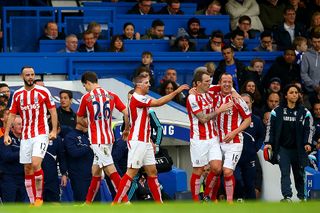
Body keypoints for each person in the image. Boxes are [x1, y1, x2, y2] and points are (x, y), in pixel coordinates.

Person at [113, 73, 189, 204]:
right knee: (131, 173)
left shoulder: (140, 98)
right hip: (137, 141)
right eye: (146, 82)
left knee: (152, 172)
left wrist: (128, 130)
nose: (149, 85)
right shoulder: (137, 98)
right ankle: (115, 203)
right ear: (139, 85)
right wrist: (176, 91)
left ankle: (159, 204)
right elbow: (159, 102)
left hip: (146, 141)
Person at [4, 66, 58, 206]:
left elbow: (53, 111)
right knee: (27, 168)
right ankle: (33, 201)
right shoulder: (18, 94)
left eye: (32, 74)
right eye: (27, 75)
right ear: (22, 76)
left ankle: (39, 198)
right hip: (26, 135)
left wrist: (53, 130)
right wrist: (6, 134)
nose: (30, 77)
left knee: (35, 163)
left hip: (40, 133)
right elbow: (12, 114)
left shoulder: (43, 91)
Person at [77, 71, 130, 204]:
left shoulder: (86, 97)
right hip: (109, 138)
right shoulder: (111, 95)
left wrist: (88, 125)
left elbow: (79, 118)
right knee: (95, 171)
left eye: (85, 86)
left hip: (97, 139)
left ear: (88, 83)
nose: (85, 88)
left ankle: (125, 201)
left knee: (110, 169)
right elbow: (126, 113)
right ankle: (88, 203)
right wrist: (127, 129)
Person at [187, 69, 233, 202]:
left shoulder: (210, 92)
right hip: (198, 139)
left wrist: (234, 94)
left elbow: (228, 86)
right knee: (198, 170)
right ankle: (196, 200)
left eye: (210, 81)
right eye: (207, 81)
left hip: (213, 137)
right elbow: (203, 118)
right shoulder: (192, 98)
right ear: (198, 83)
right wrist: (220, 110)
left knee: (217, 168)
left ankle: (207, 195)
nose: (209, 83)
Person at [264, 84, 313, 201]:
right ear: (285, 95)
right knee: (285, 173)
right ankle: (287, 197)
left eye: (296, 92)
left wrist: (308, 143)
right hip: (283, 149)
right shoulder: (277, 111)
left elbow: (309, 129)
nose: (294, 95)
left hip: (299, 149)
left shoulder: (305, 112)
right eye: (291, 92)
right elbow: (270, 127)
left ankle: (302, 198)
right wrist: (269, 142)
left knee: (299, 174)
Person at [213, 73, 252, 202]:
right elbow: (201, 88)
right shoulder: (214, 96)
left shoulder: (238, 100)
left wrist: (234, 132)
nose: (227, 84)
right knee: (215, 170)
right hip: (217, 141)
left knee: (228, 171)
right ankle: (212, 198)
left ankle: (229, 201)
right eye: (224, 81)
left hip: (234, 142)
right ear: (219, 83)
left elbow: (248, 119)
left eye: (229, 82)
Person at [234, 93, 265, 200]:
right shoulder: (234, 119)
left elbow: (261, 135)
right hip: (235, 157)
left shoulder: (256, 120)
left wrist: (255, 148)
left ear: (252, 103)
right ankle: (238, 201)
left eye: (246, 102)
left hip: (250, 157)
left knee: (250, 184)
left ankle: (251, 207)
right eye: (242, 102)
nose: (245, 105)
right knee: (237, 180)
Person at [63, 120, 100, 202]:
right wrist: (88, 147)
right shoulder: (70, 136)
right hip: (79, 178)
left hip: (93, 176)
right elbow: (74, 153)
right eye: (87, 118)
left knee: (97, 205)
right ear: (79, 120)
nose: (89, 121)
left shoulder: (90, 135)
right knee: (82, 204)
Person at [0, 116, 28, 202]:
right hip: (8, 179)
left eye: (23, 124)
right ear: (12, 127)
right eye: (19, 124)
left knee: (20, 208)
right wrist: (23, 152)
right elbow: (7, 156)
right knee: (10, 208)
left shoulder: (26, 140)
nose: (22, 126)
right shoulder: (5, 139)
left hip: (22, 179)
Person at [300, 31, 320, 105]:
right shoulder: (306, 55)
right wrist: (314, 86)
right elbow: (303, 73)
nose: (317, 44)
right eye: (315, 42)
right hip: (310, 90)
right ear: (311, 42)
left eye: (319, 41)